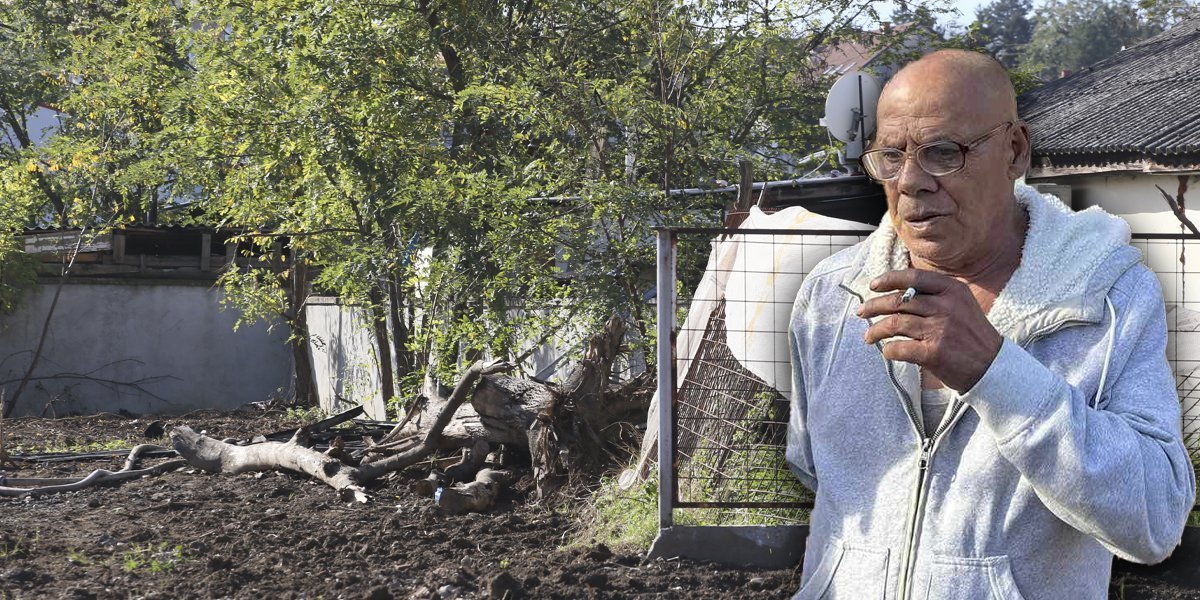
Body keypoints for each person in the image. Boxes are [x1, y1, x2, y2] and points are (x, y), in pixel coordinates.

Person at [786, 49, 1195, 599]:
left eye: (941, 152)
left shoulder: (1108, 298)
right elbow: (819, 475)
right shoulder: (829, 297)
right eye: (890, 155)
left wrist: (994, 370)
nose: (910, 182)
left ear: (1015, 151)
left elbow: (1155, 520)